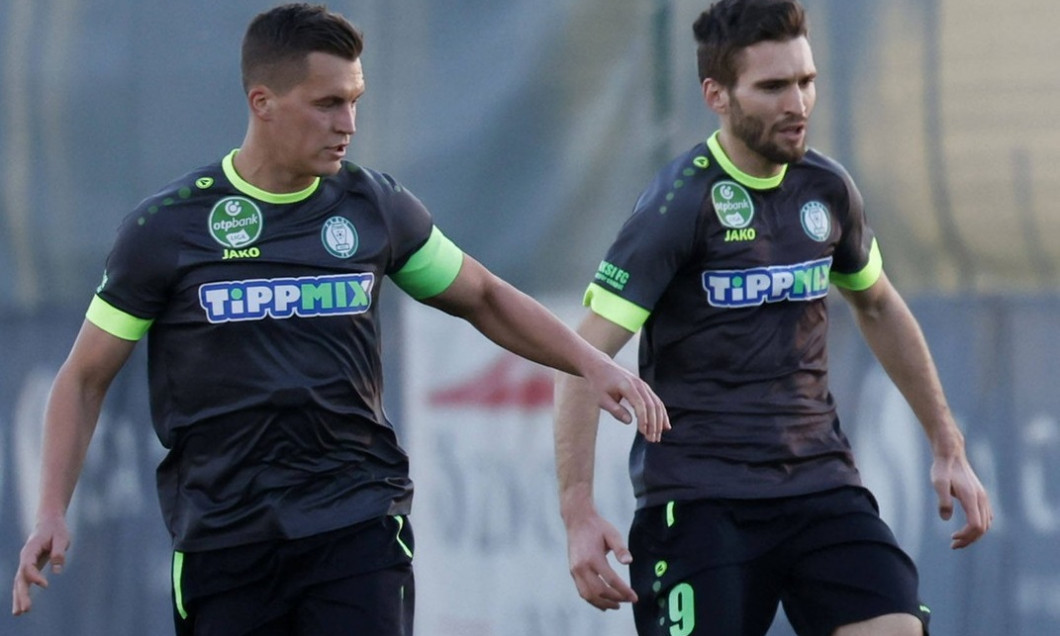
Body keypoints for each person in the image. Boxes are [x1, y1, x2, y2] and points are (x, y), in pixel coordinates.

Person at [10, 4, 669, 634]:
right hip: (224, 537)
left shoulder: (373, 208)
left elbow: (484, 297)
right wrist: (50, 510)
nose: (348, 122)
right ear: (262, 103)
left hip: (356, 522)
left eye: (355, 100)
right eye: (328, 103)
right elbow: (83, 378)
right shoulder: (168, 229)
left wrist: (590, 362)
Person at [554, 1, 993, 634]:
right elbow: (577, 360)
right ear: (717, 95)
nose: (798, 102)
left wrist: (947, 445)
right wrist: (577, 513)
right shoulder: (679, 205)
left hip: (820, 485)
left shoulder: (827, 190)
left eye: (806, 81)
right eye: (773, 86)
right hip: (701, 501)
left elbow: (877, 303)